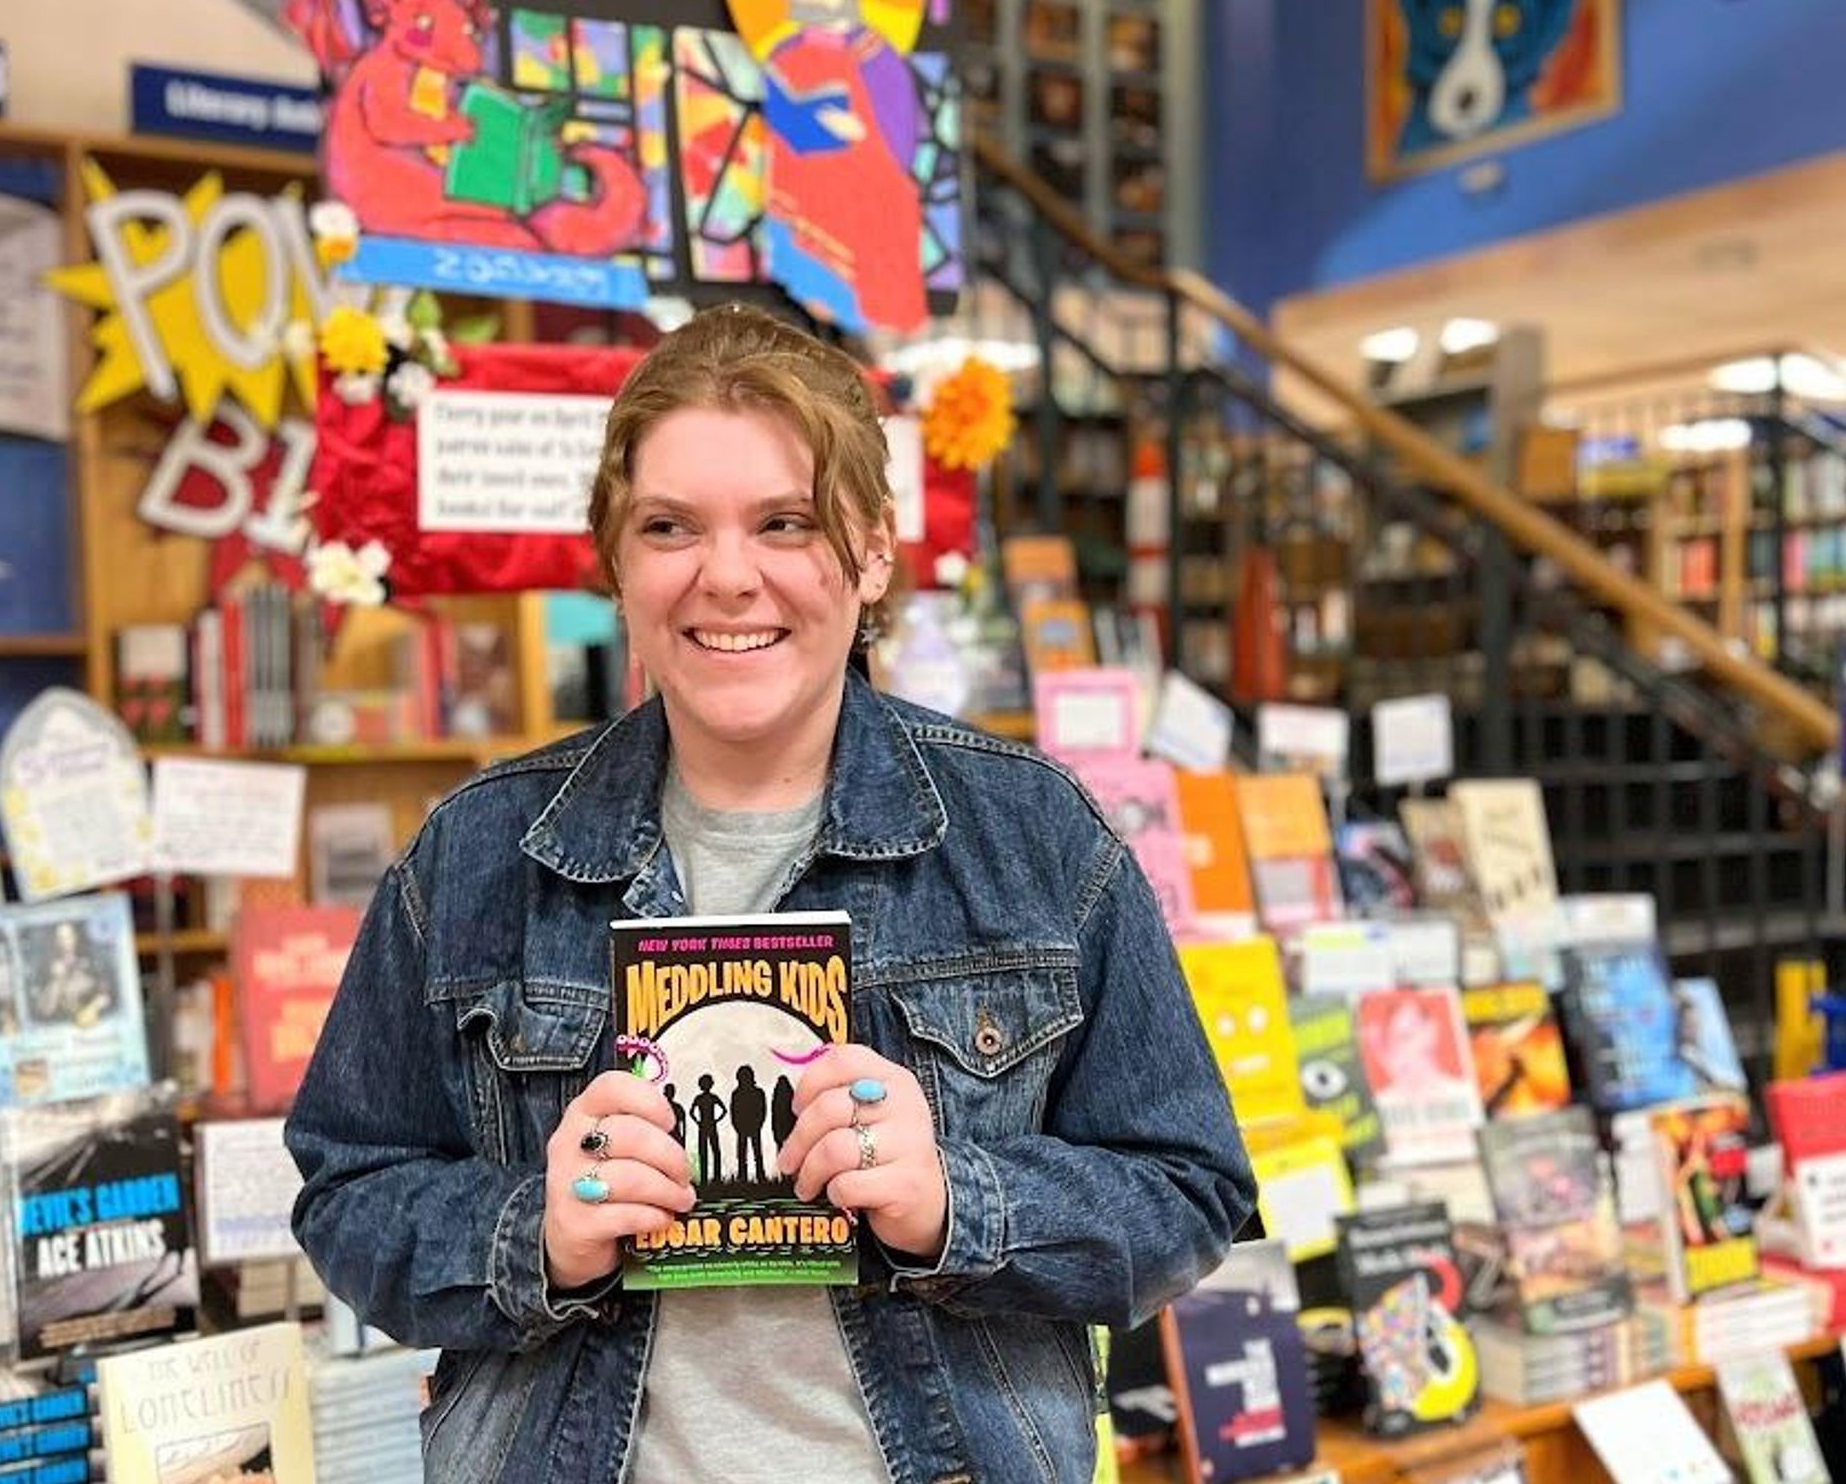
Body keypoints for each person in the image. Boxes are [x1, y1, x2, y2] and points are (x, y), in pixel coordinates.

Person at [286, 304, 1254, 1484]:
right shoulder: (479, 853)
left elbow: (1190, 1190)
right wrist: (527, 1232)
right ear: (617, 561)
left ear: (874, 549)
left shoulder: (1031, 836)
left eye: (784, 523)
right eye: (668, 526)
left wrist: (961, 1199)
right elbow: (347, 1191)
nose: (726, 576)